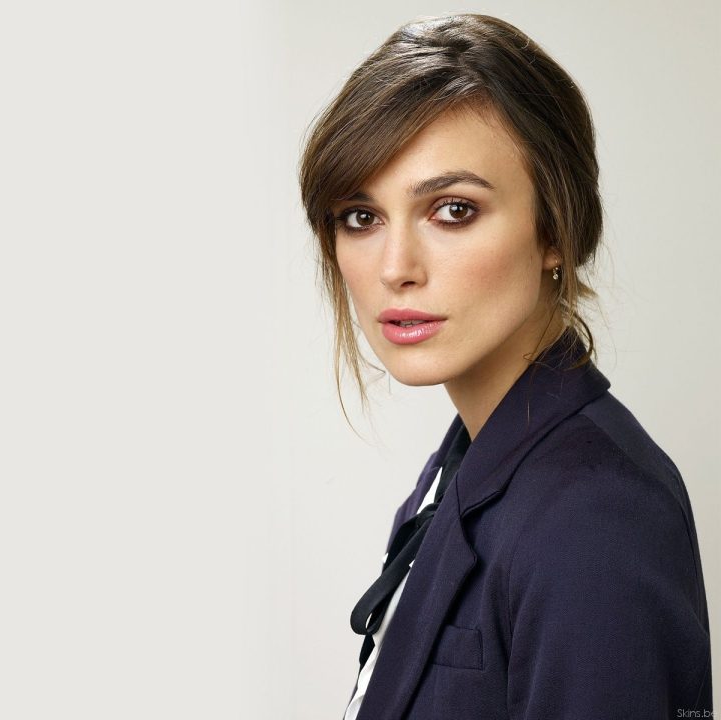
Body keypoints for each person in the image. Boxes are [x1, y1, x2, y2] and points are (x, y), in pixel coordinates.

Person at [297, 13, 711, 719]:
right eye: (361, 217)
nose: (395, 268)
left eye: (453, 210)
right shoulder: (465, 465)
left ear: (556, 228)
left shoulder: (597, 516)